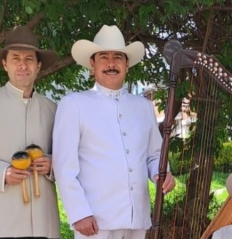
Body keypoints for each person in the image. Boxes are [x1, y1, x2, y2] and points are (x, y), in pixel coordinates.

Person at [52, 25, 175, 239]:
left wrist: (160, 173)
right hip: (95, 221)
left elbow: (154, 154)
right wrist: (79, 213)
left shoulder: (143, 106)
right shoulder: (74, 104)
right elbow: (64, 166)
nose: (111, 63)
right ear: (92, 64)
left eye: (118, 57)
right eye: (103, 57)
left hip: (137, 218)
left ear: (127, 64)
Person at [0, 26, 60, 238]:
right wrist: (2, 173)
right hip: (3, 218)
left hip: (44, 219)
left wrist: (51, 164)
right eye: (15, 58)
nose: (23, 65)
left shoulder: (53, 109)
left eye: (29, 59)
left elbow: (67, 156)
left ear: (38, 65)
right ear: (5, 64)